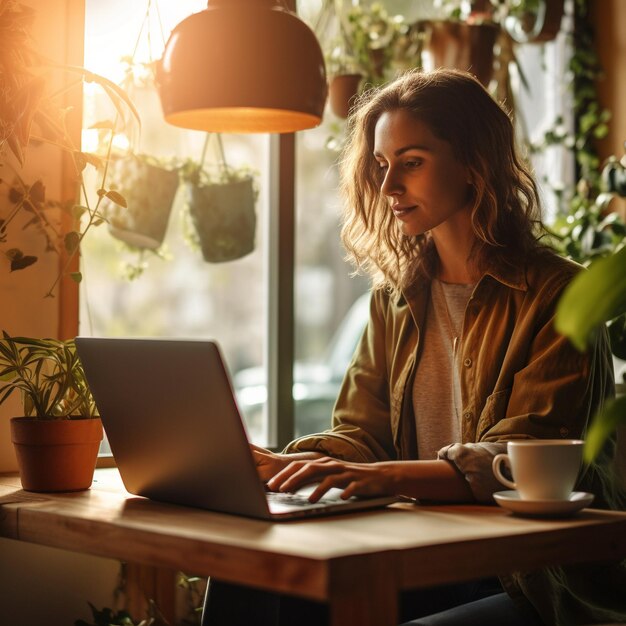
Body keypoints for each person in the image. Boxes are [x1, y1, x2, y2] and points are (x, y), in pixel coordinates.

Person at [202, 68, 625, 626]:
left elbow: (525, 459)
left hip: (533, 581)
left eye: (412, 161)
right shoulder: (394, 298)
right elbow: (363, 434)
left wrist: (389, 477)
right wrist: (293, 463)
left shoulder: (557, 293)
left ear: (474, 163)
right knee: (249, 574)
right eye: (381, 165)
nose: (388, 186)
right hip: (417, 554)